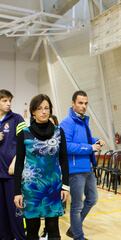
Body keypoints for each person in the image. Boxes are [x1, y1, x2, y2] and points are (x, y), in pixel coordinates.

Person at [13, 94, 69, 240]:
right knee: (32, 230)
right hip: (31, 189)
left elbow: (64, 161)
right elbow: (19, 164)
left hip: (53, 187)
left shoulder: (59, 132)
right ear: (33, 111)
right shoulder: (24, 134)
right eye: (39, 108)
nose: (44, 111)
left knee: (53, 229)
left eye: (46, 108)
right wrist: (17, 192)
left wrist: (66, 186)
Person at [60, 90, 105, 240]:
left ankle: (73, 229)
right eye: (80, 103)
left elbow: (86, 138)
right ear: (73, 104)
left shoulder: (83, 121)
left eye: (86, 103)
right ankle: (78, 236)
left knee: (92, 199)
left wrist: (95, 140)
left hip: (87, 168)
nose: (84, 106)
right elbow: (66, 146)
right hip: (75, 170)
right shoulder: (67, 123)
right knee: (77, 206)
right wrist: (90, 148)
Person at [0, 89, 26, 240]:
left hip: (11, 175)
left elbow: (25, 144)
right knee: (1, 216)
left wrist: (16, 162)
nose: (8, 103)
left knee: (15, 214)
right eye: (4, 100)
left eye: (10, 100)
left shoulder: (17, 119)